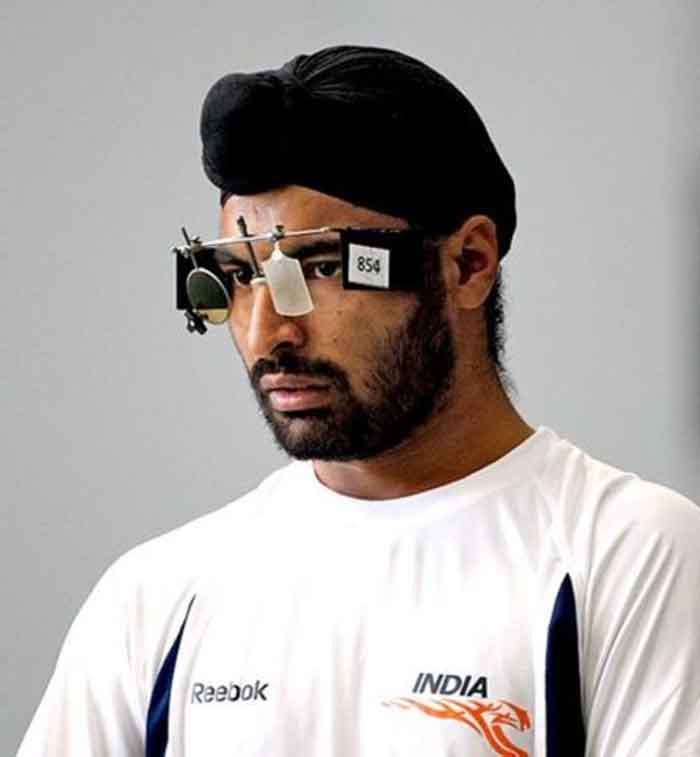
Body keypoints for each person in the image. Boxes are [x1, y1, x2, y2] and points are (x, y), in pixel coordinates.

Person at [18, 45, 700, 757]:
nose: (267, 334)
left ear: (468, 263)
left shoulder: (627, 556)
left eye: (319, 267)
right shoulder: (160, 596)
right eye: (238, 278)